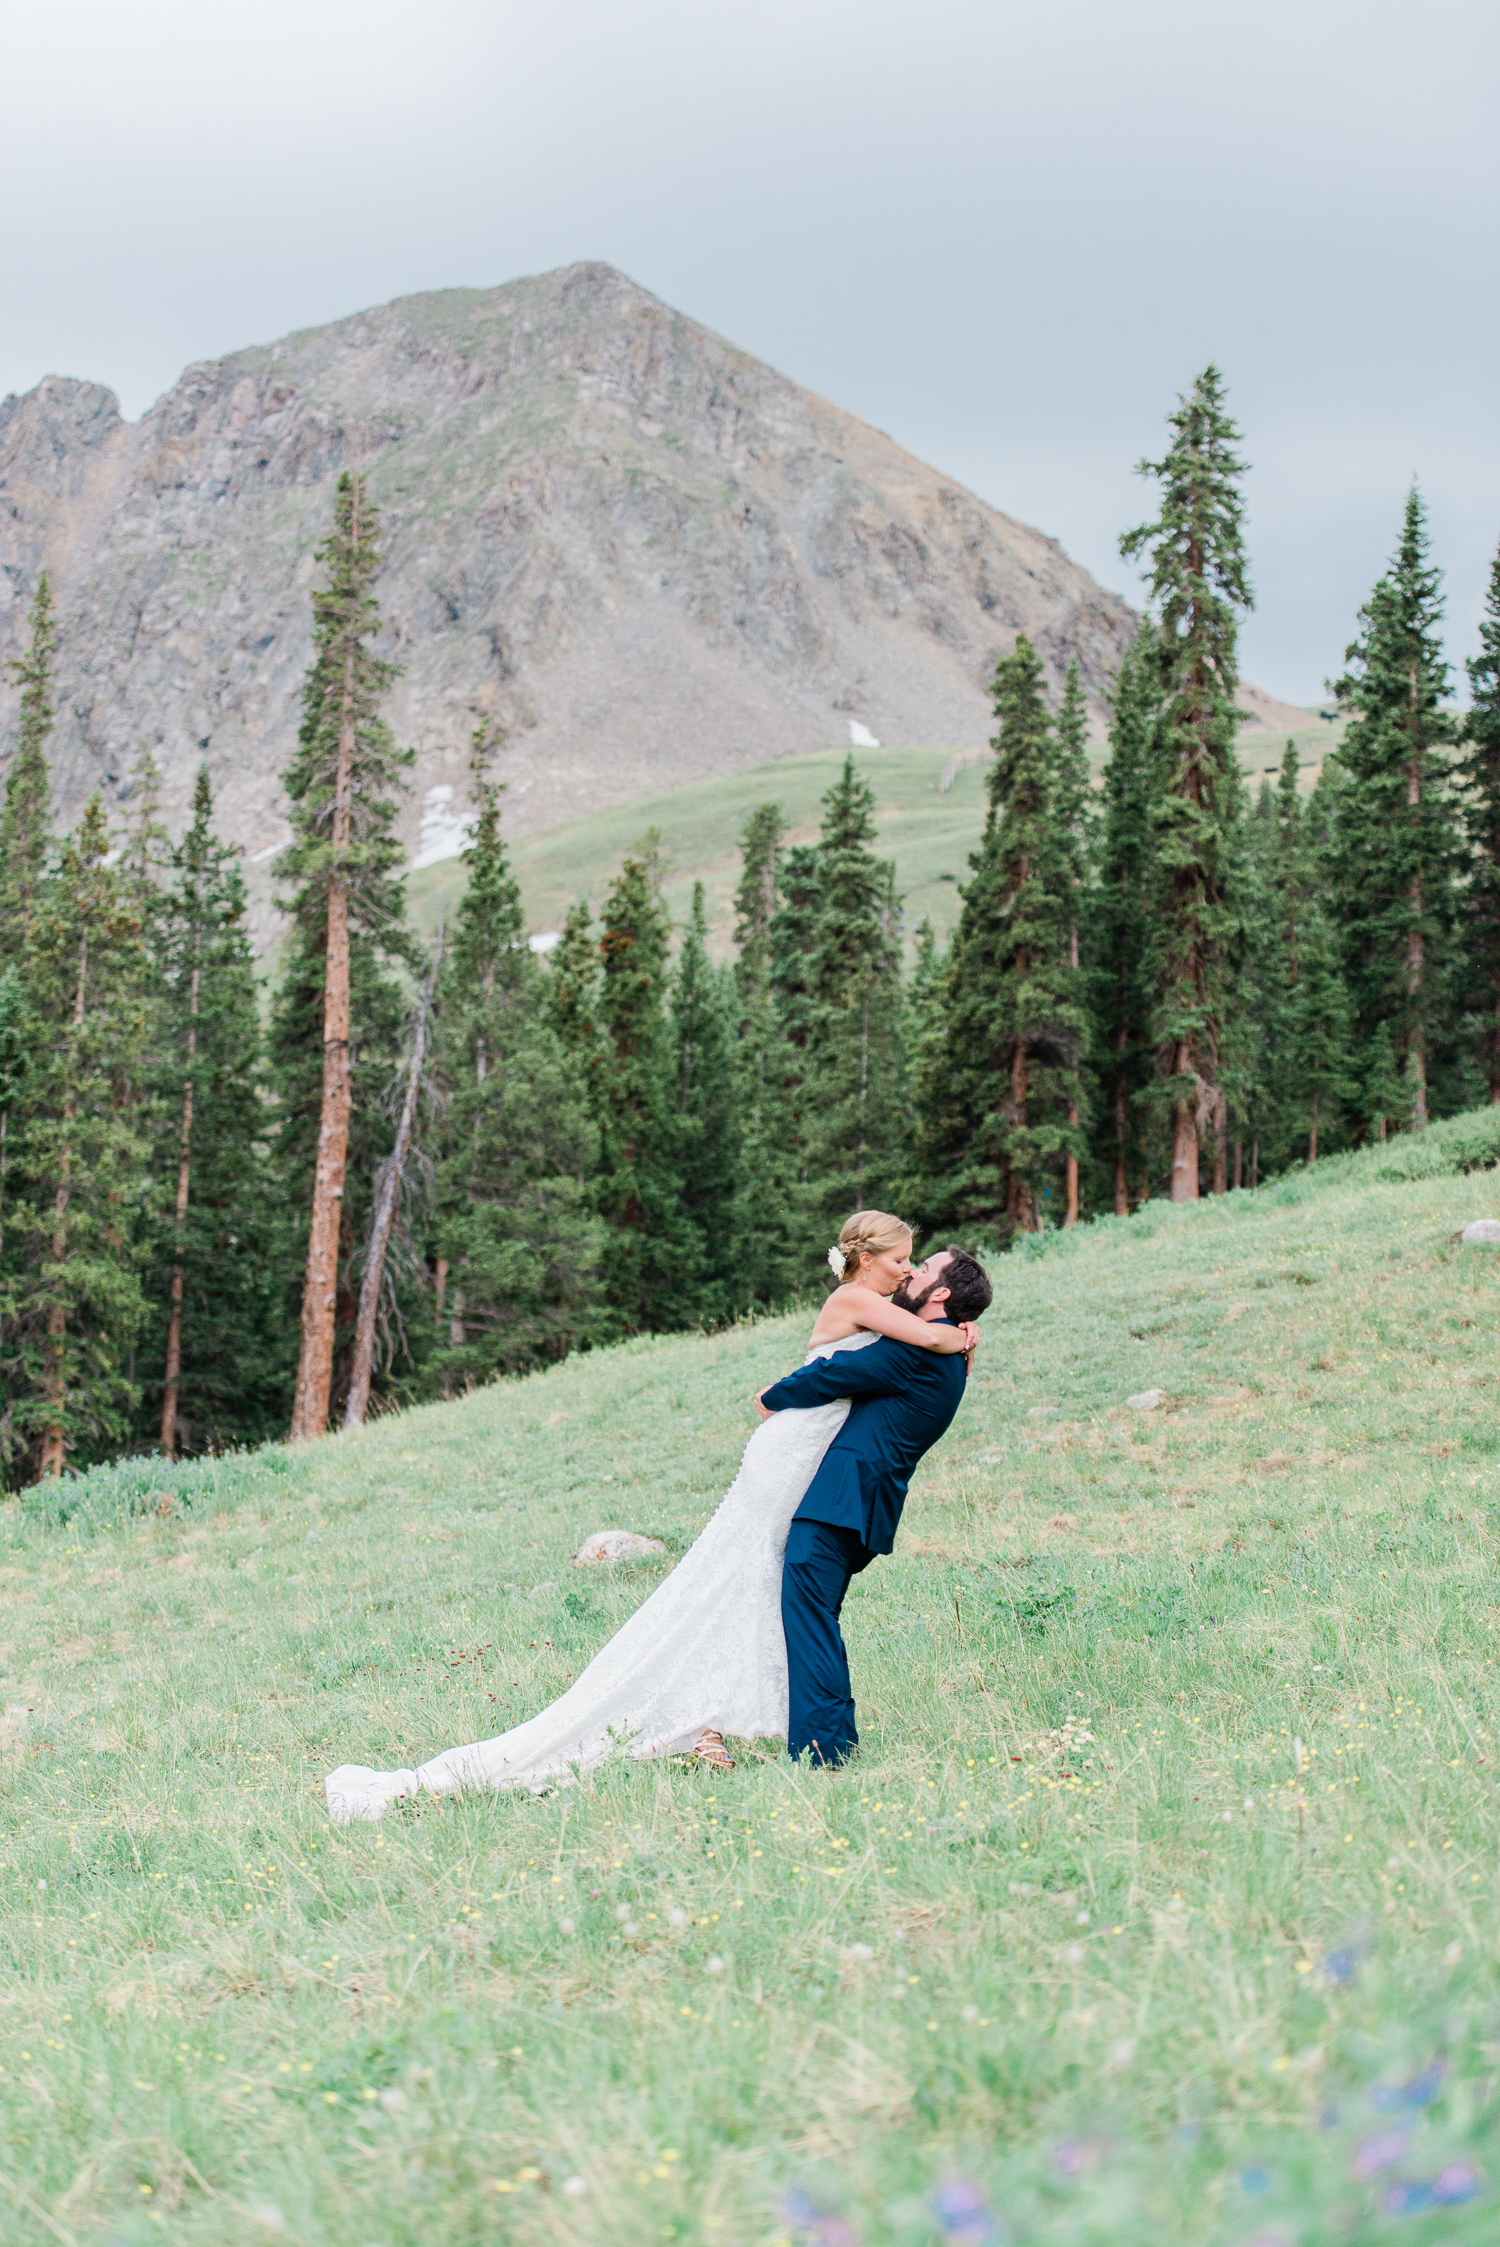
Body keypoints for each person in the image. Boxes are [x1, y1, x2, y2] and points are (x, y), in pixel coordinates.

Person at [324, 1211, 980, 1821]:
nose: (909, 1268)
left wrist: (950, 1336)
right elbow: (868, 1357)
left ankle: (719, 1721)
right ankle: (730, 1725)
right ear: (870, 1258)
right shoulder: (873, 1307)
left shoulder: (903, 1317)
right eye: (903, 1258)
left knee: (755, 1587)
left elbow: (877, 1355)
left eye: (919, 1265)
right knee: (752, 1579)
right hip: (790, 1462)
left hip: (812, 1465)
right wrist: (953, 1337)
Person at [757, 1241, 993, 1768]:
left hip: (840, 1504)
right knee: (816, 1614)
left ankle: (824, 1753)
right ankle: (831, 1742)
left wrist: (773, 1395)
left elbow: (834, 1373)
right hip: (856, 1508)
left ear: (941, 1292)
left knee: (810, 1614)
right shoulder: (944, 1349)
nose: (911, 1272)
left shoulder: (916, 1352)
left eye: (924, 1268)